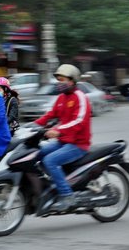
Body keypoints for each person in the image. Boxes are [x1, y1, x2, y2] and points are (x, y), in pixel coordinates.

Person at [34, 64, 91, 211]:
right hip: (63, 142)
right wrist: (32, 126)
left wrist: (57, 130)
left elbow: (79, 121)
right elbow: (50, 114)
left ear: (72, 81)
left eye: (62, 80)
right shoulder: (61, 98)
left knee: (50, 160)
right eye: (58, 80)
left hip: (78, 144)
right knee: (36, 154)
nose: (59, 83)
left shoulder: (80, 97)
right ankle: (53, 184)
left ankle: (67, 195)